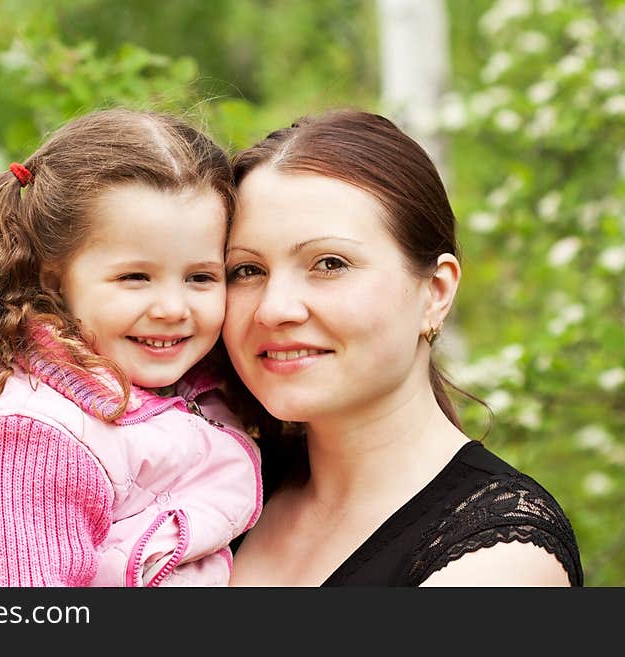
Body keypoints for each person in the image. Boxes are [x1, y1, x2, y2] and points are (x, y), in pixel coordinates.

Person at [0, 108, 262, 587]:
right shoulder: (26, 434)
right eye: (134, 277)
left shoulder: (184, 384)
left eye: (200, 277)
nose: (172, 307)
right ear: (53, 279)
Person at [222, 109, 583, 586]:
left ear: (435, 292)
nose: (274, 309)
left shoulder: (499, 562)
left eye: (329, 263)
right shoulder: (216, 488)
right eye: (247, 270)